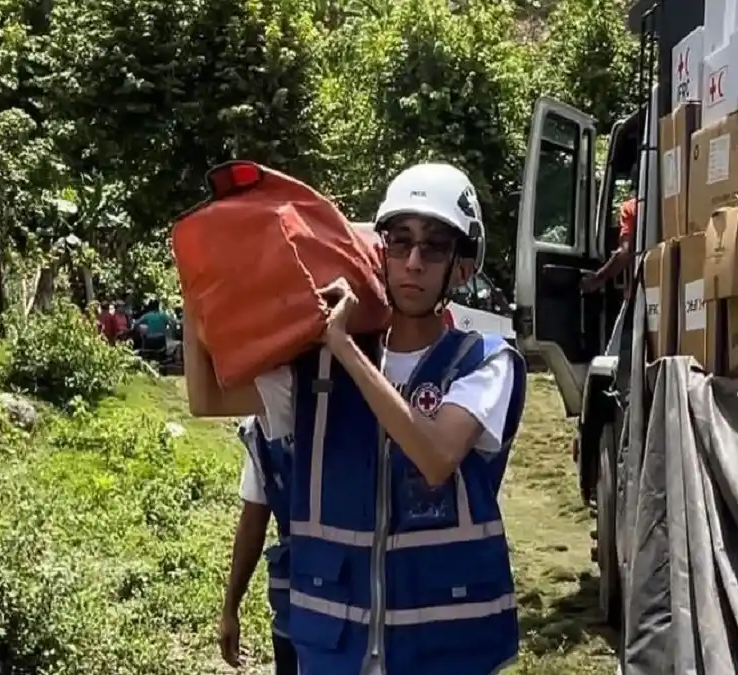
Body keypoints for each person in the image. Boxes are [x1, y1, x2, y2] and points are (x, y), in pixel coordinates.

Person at [186, 162, 527, 675]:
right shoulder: (317, 371)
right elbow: (206, 397)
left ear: (461, 268)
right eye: (400, 242)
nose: (413, 261)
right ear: (380, 252)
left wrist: (343, 345)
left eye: (434, 246)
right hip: (338, 649)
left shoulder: (486, 361)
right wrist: (200, 284)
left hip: (444, 653)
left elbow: (435, 455)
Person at [218, 417, 297, 674]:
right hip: (293, 606)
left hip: (356, 613)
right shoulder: (264, 431)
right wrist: (230, 609)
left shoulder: (354, 415)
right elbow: (253, 519)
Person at [581, 194, 637, 355]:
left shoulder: (631, 207)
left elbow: (625, 252)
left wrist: (597, 279)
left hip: (640, 294)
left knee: (615, 357)